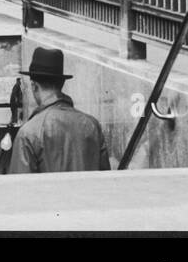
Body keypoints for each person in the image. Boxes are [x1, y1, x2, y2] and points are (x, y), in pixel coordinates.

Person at [8, 46, 111, 174]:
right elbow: (106, 180)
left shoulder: (29, 133)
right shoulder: (92, 125)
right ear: (61, 84)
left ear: (34, 86)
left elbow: (19, 187)